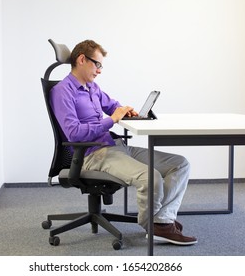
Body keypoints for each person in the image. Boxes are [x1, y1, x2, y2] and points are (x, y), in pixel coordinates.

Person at [50, 39, 197, 245]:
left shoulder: (92, 87)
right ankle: (154, 226)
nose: (100, 70)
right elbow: (74, 133)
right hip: (93, 154)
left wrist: (125, 111)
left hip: (116, 146)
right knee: (150, 177)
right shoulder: (62, 91)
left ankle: (161, 221)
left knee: (180, 164)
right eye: (97, 64)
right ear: (82, 59)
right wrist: (111, 119)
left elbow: (112, 106)